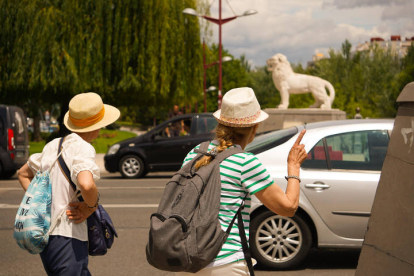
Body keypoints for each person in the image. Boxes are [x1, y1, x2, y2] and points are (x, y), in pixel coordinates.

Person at [176, 87, 307, 276]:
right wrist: (294, 166)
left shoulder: (195, 152)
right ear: (254, 128)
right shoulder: (245, 162)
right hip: (225, 264)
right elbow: (288, 208)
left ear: (221, 123)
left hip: (185, 260)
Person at [17, 92, 120, 275]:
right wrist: (91, 206)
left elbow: (23, 174)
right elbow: (86, 184)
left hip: (46, 236)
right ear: (95, 127)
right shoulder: (83, 148)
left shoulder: (53, 145)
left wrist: (40, 204)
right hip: (68, 237)